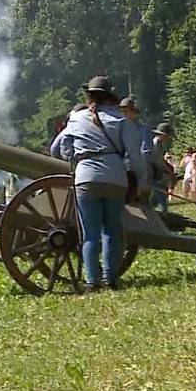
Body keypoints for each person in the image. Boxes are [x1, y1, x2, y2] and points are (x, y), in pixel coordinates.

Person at [51, 75, 148, 292]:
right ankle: (109, 278)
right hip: (115, 177)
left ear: (89, 96)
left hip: (86, 178)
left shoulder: (76, 119)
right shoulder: (121, 121)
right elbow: (134, 154)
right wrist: (141, 179)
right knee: (112, 231)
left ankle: (91, 281)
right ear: (110, 97)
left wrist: (75, 157)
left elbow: (58, 149)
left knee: (89, 233)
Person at [149, 122, 175, 212]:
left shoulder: (159, 144)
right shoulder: (155, 144)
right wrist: (167, 170)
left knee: (156, 197)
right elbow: (156, 160)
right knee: (159, 195)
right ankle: (162, 213)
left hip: (157, 172)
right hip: (154, 173)